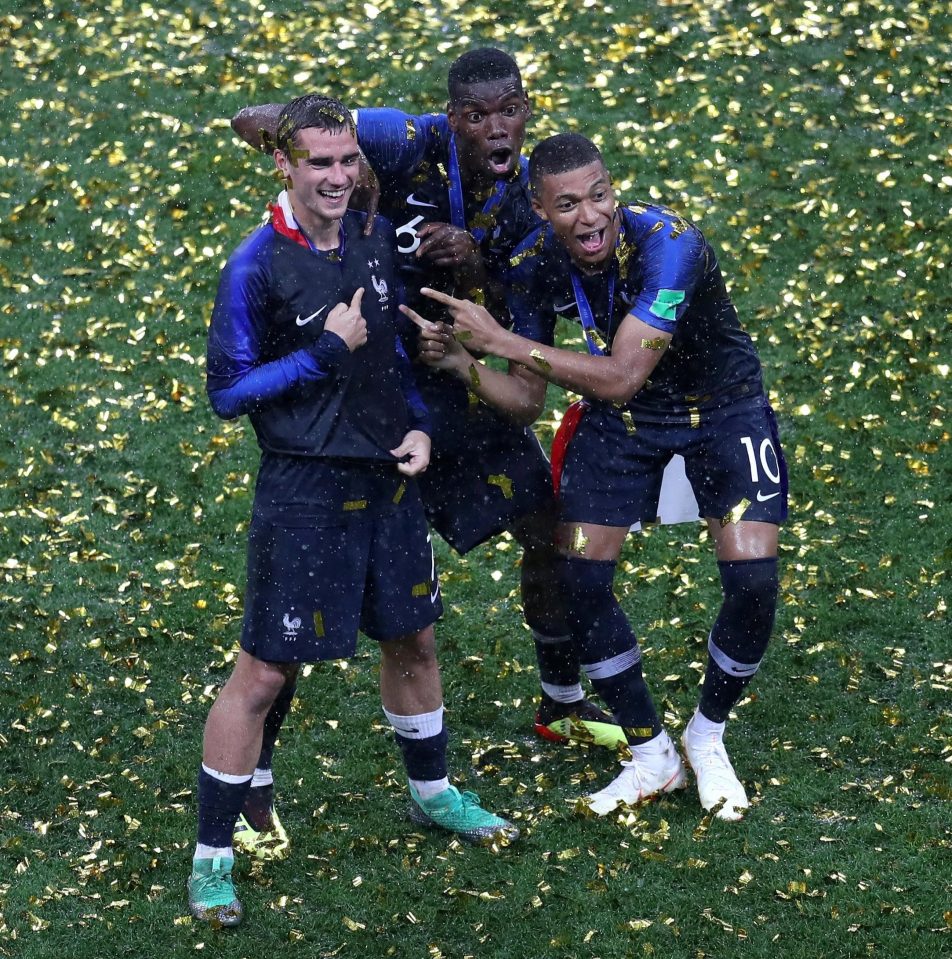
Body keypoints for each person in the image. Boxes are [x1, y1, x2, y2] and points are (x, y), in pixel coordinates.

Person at [227, 50, 625, 861]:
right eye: (474, 115)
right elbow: (260, 123)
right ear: (451, 119)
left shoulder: (534, 209)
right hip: (360, 403)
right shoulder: (404, 142)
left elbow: (524, 380)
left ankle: (558, 697)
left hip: (449, 395)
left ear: (526, 110)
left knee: (547, 529)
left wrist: (477, 278)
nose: (493, 127)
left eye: (506, 110)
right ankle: (252, 787)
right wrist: (322, 162)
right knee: (302, 607)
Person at [188, 94, 518, 929]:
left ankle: (434, 792)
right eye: (320, 163)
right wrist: (323, 353)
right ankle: (212, 859)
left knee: (414, 638)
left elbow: (392, 353)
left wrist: (413, 420)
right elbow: (227, 393)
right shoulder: (254, 266)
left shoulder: (372, 239)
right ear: (285, 165)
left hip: (388, 480)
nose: (338, 177)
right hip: (302, 490)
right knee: (263, 670)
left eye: (348, 161)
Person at [404, 133, 787, 822]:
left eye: (601, 195)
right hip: (625, 423)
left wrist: (499, 341)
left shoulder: (671, 245)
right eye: (570, 204)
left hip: (723, 413)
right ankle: (651, 752)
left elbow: (621, 372)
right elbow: (524, 401)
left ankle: (708, 734)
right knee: (575, 575)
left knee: (754, 581)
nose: (591, 217)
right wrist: (464, 366)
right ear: (539, 209)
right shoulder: (531, 263)